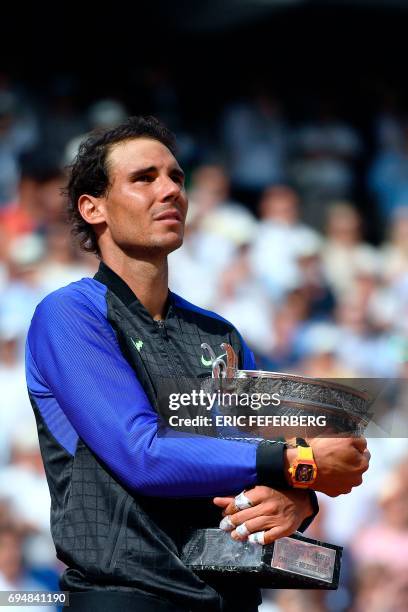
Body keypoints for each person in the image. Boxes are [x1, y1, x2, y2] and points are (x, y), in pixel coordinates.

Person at [25, 116, 370, 612]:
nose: (170, 191)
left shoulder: (220, 333)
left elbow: (273, 464)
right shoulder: (68, 315)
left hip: (230, 597)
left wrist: (299, 499)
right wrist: (300, 463)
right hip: (125, 597)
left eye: (177, 177)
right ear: (92, 207)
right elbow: (142, 455)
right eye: (144, 178)